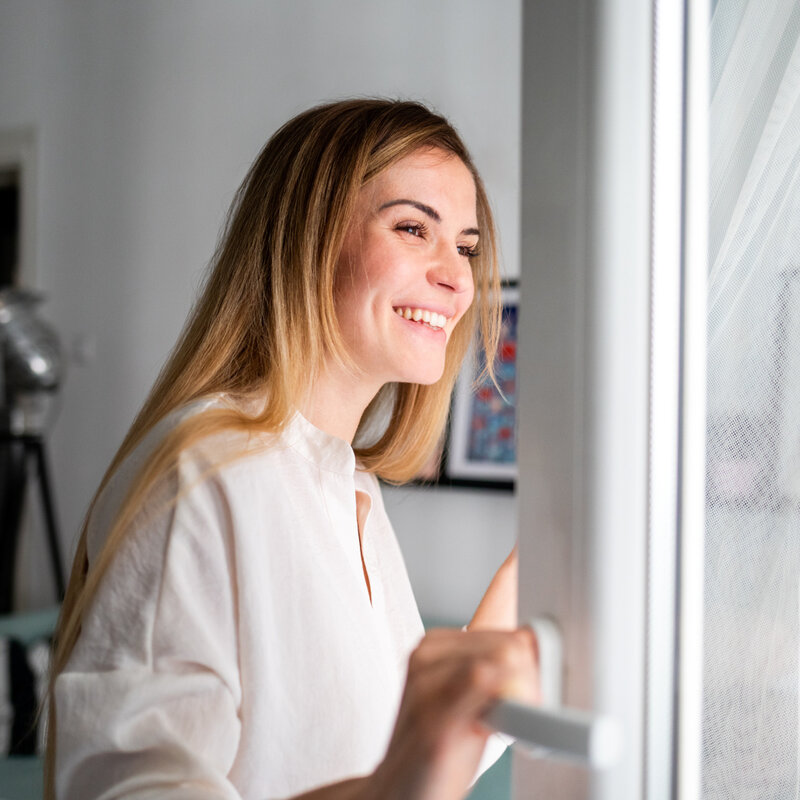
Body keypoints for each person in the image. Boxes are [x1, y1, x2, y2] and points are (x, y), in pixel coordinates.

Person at [45, 99, 539, 800]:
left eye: (465, 246)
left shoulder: (349, 487)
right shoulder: (207, 473)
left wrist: (516, 605)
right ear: (306, 239)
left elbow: (392, 756)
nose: (458, 279)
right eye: (411, 228)